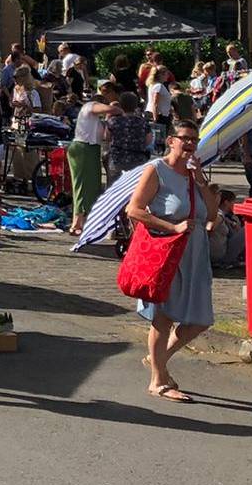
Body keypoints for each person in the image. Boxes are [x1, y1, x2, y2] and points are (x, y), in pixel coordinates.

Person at [123, 123, 217, 403]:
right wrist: (172, 227)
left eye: (194, 140)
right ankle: (158, 379)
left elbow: (212, 214)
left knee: (200, 319)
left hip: (195, 253)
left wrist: (200, 180)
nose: (190, 144)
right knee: (163, 318)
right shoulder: (157, 170)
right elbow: (134, 209)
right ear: (171, 140)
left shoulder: (194, 174)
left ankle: (158, 359)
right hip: (168, 251)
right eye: (184, 138)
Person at [67, 85, 120, 234]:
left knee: (92, 186)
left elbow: (106, 136)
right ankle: (76, 223)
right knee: (81, 185)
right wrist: (117, 109)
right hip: (83, 147)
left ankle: (84, 221)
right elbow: (109, 109)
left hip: (92, 149)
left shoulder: (97, 121)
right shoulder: (89, 106)